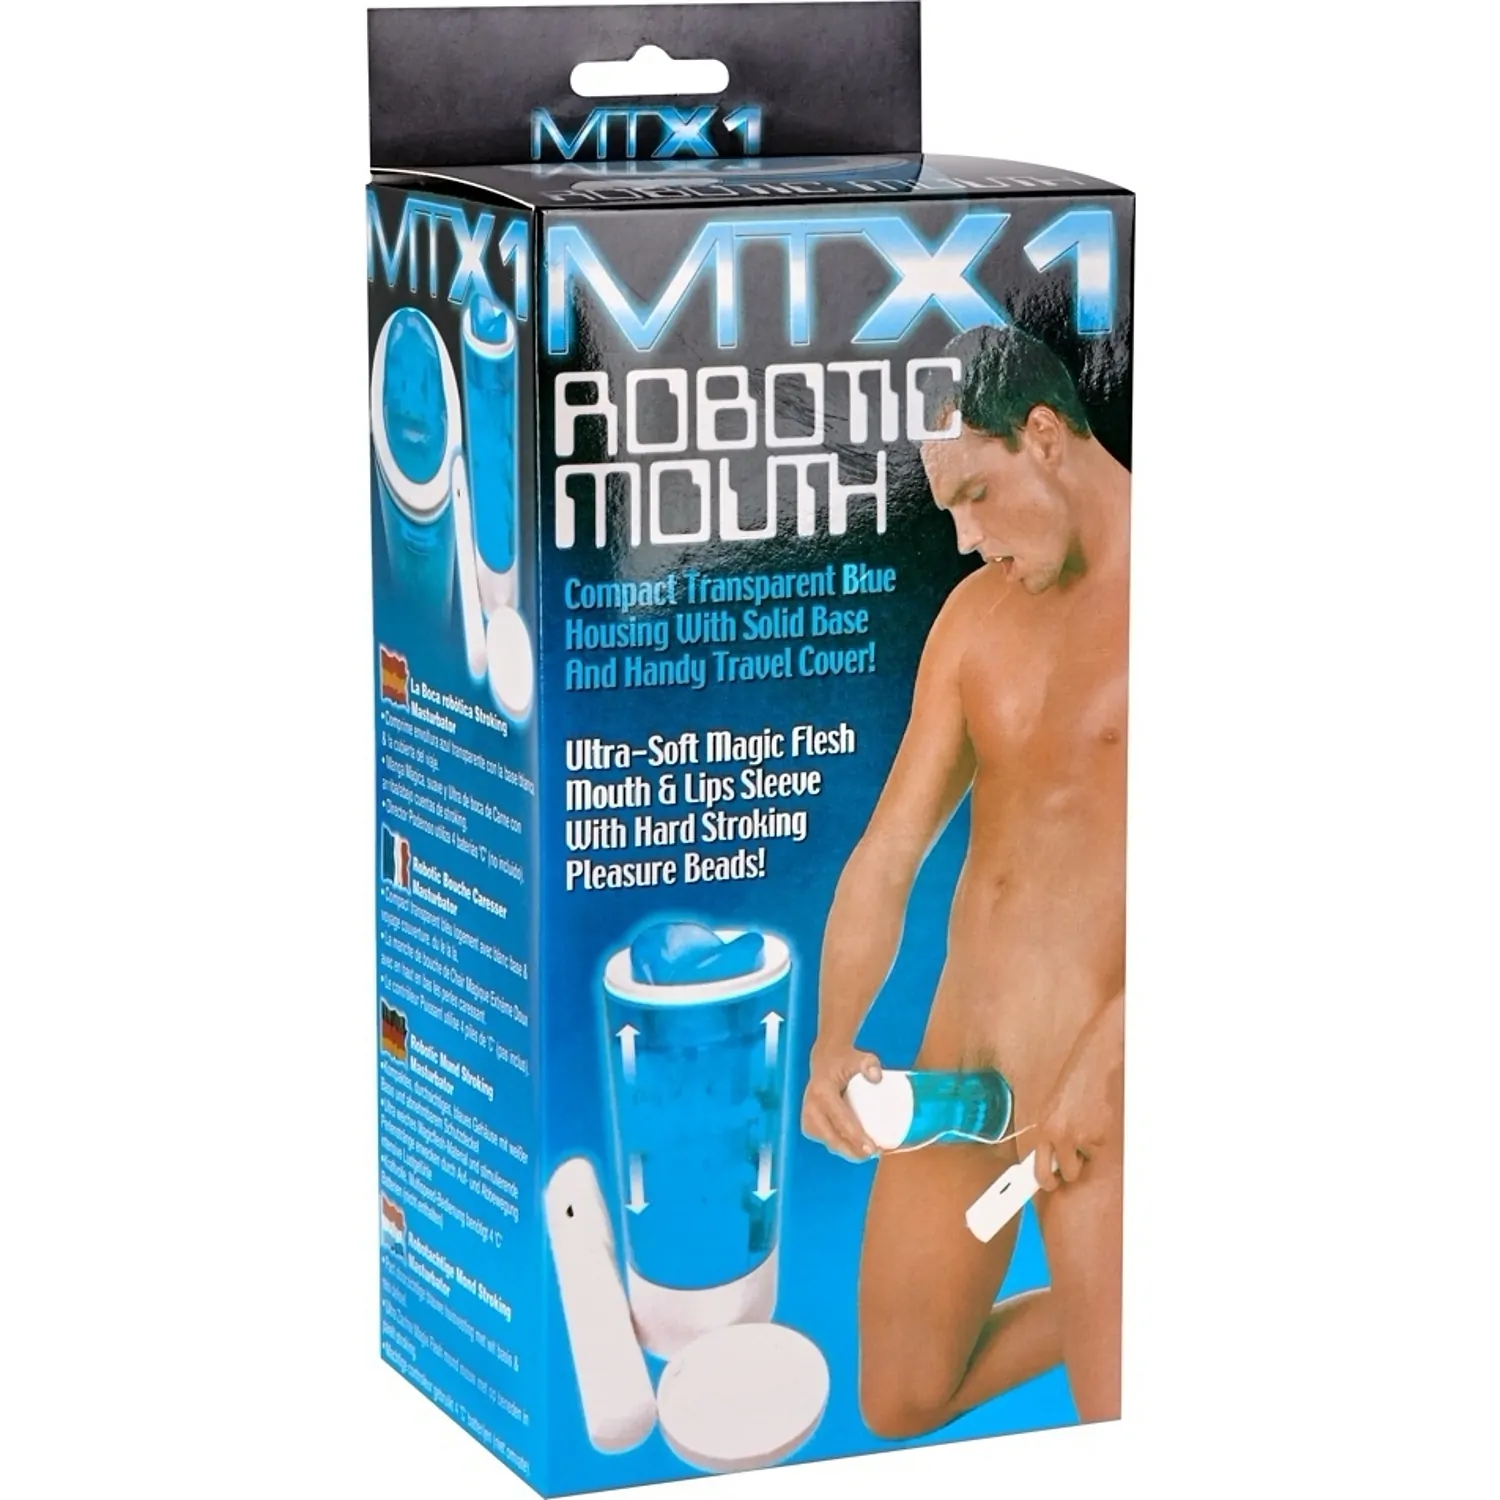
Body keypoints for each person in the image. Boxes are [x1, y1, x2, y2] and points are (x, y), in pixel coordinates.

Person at [801, 323, 1130, 1434]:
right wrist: (832, 1044)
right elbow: (889, 851)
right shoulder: (974, 621)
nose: (965, 538)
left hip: (1102, 1072)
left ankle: (1129, 1314)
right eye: (946, 509)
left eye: (977, 497)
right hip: (964, 1062)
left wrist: (1112, 1054)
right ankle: (1126, 1309)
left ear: (1045, 436)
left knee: (1117, 1414)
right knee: (899, 1400)